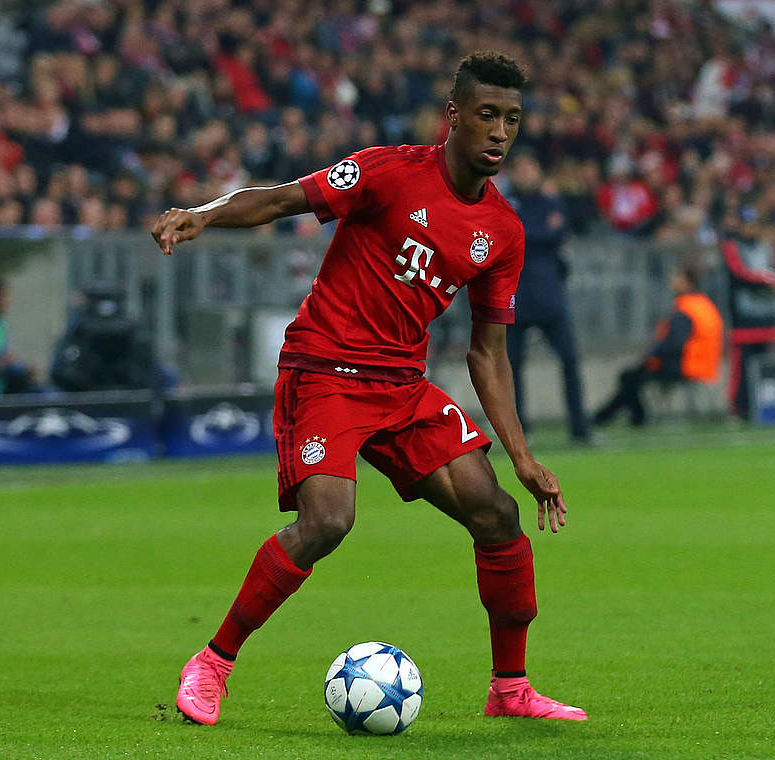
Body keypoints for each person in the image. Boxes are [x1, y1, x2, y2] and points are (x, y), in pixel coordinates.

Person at [151, 51, 585, 726]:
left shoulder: (501, 231)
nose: (500, 132)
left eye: (512, 119)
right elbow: (282, 197)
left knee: (496, 513)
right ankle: (212, 663)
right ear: (454, 117)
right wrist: (203, 214)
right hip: (324, 370)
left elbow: (488, 353)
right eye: (487, 115)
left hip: (403, 387)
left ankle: (510, 689)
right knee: (328, 521)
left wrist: (524, 458)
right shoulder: (389, 171)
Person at [504, 152, 590, 444]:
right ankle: (518, 430)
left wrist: (521, 233)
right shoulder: (504, 202)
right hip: (515, 295)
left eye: (530, 167)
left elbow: (553, 232)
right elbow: (506, 234)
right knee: (511, 368)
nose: (526, 173)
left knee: (569, 359)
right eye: (521, 168)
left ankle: (580, 427)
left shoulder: (552, 202)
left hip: (549, 295)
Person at [593, 260, 723, 427]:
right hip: (705, 366)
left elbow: (673, 343)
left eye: (676, 277)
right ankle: (616, 417)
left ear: (686, 281)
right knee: (632, 376)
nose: (672, 281)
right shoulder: (704, 305)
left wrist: (649, 357)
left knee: (629, 376)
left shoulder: (686, 309)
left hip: (685, 366)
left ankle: (623, 418)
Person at [722, 220, 775, 421]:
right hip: (743, 321)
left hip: (766, 319)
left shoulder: (769, 249)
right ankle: (739, 409)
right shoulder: (733, 247)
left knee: (764, 365)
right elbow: (739, 273)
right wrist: (769, 280)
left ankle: (761, 406)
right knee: (741, 367)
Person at [0, 280, 38, 395]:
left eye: (8, 297)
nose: (6, 301)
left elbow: (4, 352)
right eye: (3, 296)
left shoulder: (0, 323)